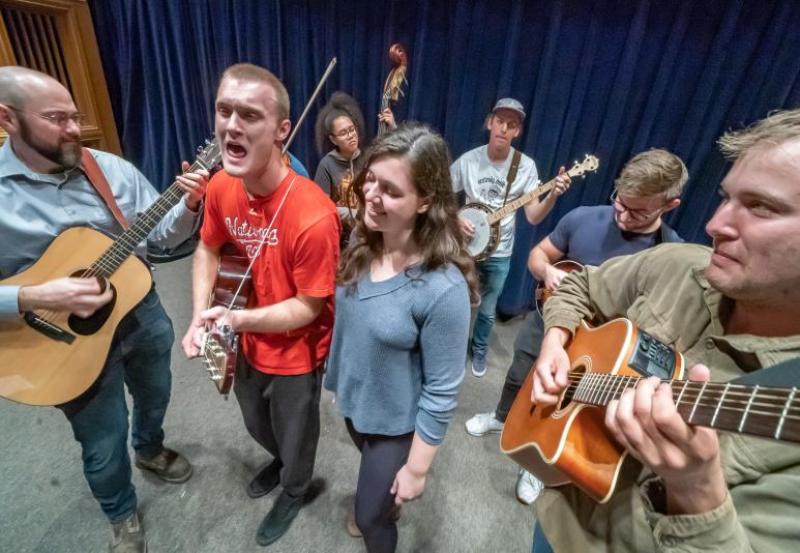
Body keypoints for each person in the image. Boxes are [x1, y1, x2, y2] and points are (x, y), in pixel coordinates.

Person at [529, 108, 800, 552]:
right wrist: (555, 341)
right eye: (726, 198)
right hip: (561, 505)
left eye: (761, 207)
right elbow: (578, 284)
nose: (714, 226)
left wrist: (695, 490)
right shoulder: (680, 264)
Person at [0, 66, 207, 553]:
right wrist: (35, 296)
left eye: (75, 116)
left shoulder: (108, 169)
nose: (74, 129)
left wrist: (190, 207)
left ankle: (151, 448)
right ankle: (121, 513)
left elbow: (160, 234)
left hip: (140, 311)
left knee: (157, 394)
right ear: (8, 119)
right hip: (54, 339)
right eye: (56, 119)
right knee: (102, 442)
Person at [464, 149, 686, 503]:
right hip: (545, 322)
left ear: (670, 205)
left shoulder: (670, 254)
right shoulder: (584, 217)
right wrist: (547, 271)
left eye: (638, 211)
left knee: (561, 405)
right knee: (519, 375)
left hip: (597, 350)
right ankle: (500, 416)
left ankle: (534, 465)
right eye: (620, 202)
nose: (624, 215)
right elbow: (539, 254)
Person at [180, 63, 340, 547]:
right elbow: (207, 247)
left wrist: (235, 318)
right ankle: (282, 462)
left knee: (296, 433)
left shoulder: (314, 215)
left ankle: (294, 487)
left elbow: (309, 307)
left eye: (250, 115)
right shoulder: (223, 185)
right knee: (255, 421)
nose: (232, 124)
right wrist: (198, 316)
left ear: (281, 130)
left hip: (295, 351)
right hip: (241, 336)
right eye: (224, 110)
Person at [324, 124, 477, 553]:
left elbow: (443, 390)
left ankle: (381, 512)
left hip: (397, 424)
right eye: (370, 179)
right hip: (358, 403)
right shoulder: (363, 238)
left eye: (390, 190)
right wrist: (341, 382)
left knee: (369, 516)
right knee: (377, 493)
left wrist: (417, 469)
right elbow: (351, 325)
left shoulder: (442, 289)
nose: (371, 194)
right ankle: (386, 502)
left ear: (426, 201)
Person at [451, 98, 569, 377]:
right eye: (500, 121)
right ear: (490, 122)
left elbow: (533, 216)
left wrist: (552, 194)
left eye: (512, 125)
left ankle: (479, 347)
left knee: (488, 309)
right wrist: (454, 217)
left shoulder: (525, 167)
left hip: (500, 252)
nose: (504, 129)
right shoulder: (469, 161)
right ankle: (454, 347)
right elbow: (440, 196)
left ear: (517, 132)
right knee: (455, 301)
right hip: (466, 247)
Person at [313, 91, 396, 204]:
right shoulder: (326, 165)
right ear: (333, 139)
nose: (351, 136)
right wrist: (352, 214)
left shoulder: (367, 157)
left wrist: (393, 126)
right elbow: (322, 205)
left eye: (352, 129)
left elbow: (396, 157)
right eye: (343, 133)